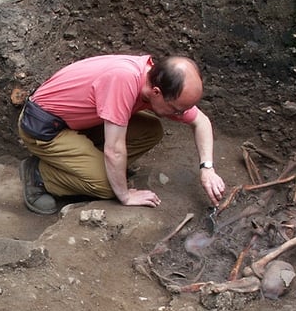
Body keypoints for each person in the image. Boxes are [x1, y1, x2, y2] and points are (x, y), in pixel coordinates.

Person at [17, 54, 226, 215]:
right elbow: (114, 150)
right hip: (46, 129)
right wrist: (125, 196)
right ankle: (39, 175)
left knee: (150, 130)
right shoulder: (123, 79)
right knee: (110, 187)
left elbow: (201, 122)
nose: (180, 115)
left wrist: (207, 168)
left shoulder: (154, 78)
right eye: (176, 109)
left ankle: (84, 166)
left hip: (79, 122)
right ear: (156, 93)